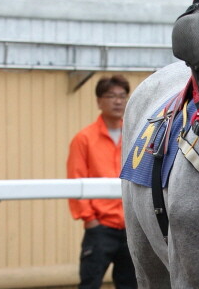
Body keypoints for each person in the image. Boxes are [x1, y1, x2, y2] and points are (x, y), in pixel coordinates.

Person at [67, 75, 137, 289]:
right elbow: (75, 178)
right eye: (111, 96)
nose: (118, 101)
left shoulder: (135, 135)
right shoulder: (84, 138)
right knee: (90, 283)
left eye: (122, 96)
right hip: (100, 227)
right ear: (99, 101)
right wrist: (90, 220)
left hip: (131, 227)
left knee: (132, 284)